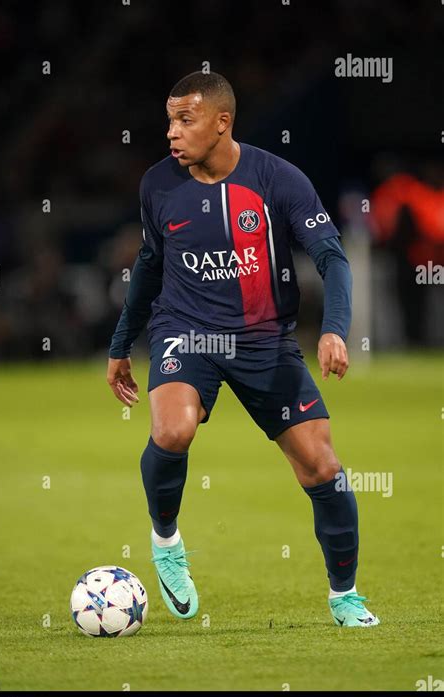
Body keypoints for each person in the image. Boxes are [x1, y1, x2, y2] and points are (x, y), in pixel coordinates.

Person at [107, 71, 380, 628]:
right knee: (172, 430)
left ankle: (345, 597)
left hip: (264, 340)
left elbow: (332, 257)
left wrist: (333, 327)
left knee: (323, 468)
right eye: (169, 120)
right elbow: (149, 268)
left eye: (185, 120)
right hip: (187, 333)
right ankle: (166, 542)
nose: (171, 133)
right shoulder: (158, 184)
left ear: (222, 121)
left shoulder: (277, 179)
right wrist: (120, 343)